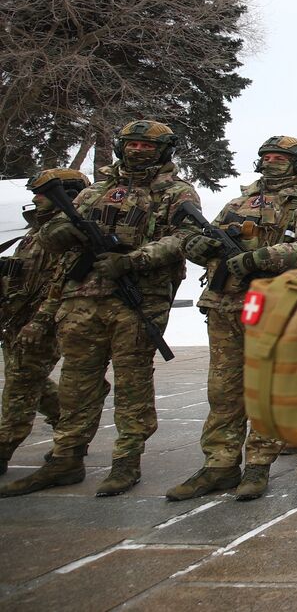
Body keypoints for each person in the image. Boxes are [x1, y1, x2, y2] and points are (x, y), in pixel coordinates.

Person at [1, 121, 201, 498]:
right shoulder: (94, 192)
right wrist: (59, 233)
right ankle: (66, 458)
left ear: (163, 151)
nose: (139, 150)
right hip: (82, 298)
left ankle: (126, 462)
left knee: (132, 382)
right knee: (77, 383)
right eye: (133, 144)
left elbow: (184, 238)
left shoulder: (176, 192)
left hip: (136, 298)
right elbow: (51, 238)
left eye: (147, 145)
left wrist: (132, 260)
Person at [167, 135, 297, 502]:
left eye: (280, 158)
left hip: (272, 304)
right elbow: (203, 235)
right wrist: (197, 247)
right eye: (266, 156)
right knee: (223, 391)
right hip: (225, 304)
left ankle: (257, 467)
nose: (271, 162)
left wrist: (259, 258)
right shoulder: (240, 201)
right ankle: (219, 465)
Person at [0, 168, 89, 475]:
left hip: (41, 323)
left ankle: (3, 447)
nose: (36, 199)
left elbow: (60, 283)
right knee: (28, 379)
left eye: (43, 193)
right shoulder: (38, 230)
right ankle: (71, 432)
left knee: (21, 384)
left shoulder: (67, 233)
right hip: (16, 319)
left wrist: (40, 322)